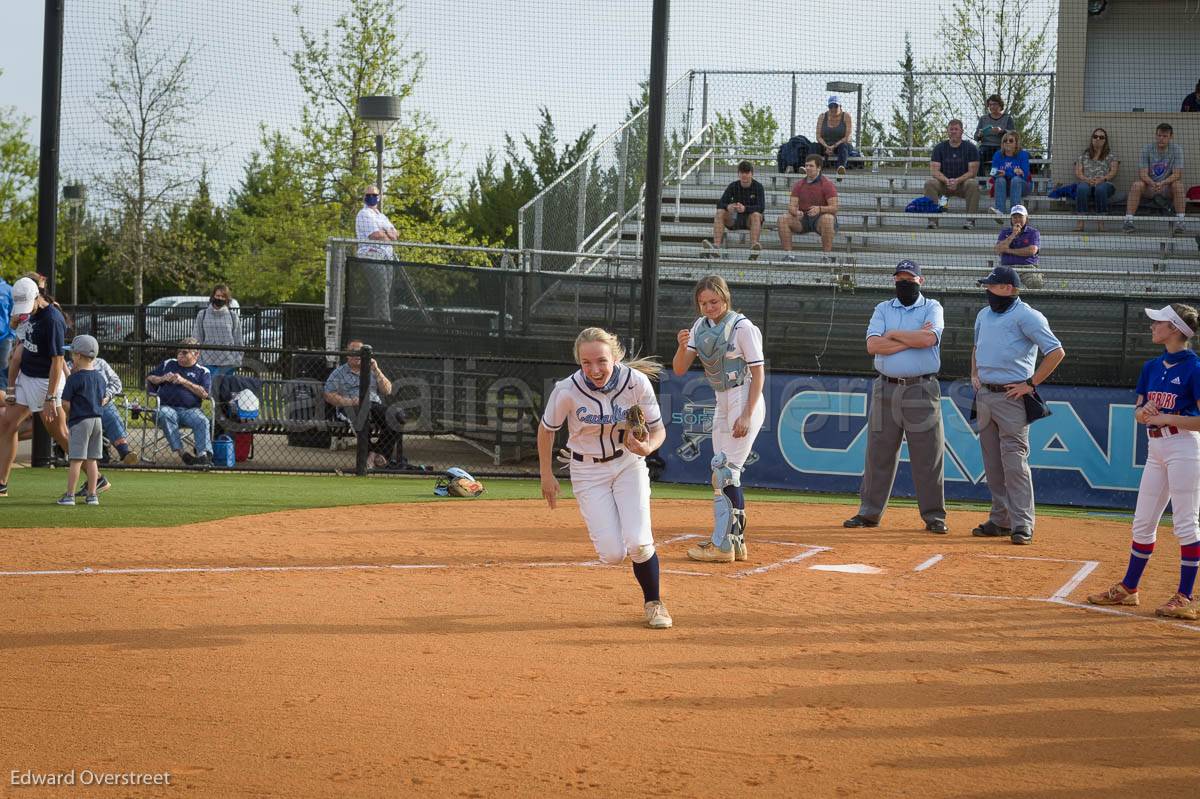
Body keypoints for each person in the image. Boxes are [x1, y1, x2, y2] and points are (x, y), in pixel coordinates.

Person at [538, 327, 672, 629]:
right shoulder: (567, 390)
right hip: (587, 471)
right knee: (612, 554)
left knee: (638, 542)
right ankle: (626, 546)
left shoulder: (635, 382)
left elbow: (659, 429)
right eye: (586, 362)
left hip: (628, 464)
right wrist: (546, 474)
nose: (594, 369)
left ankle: (654, 603)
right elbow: (546, 429)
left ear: (615, 356)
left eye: (601, 360)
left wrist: (648, 446)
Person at [1087, 305, 1200, 621]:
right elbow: (1138, 412)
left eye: (1159, 323)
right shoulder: (1152, 366)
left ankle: (1186, 596)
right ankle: (1129, 588)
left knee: (1186, 522)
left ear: (1175, 329)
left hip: (1184, 447)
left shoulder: (1194, 367)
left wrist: (1166, 416)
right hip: (1157, 447)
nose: (1152, 326)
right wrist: (1144, 413)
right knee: (1142, 522)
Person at [844, 260, 948, 534]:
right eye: (900, 278)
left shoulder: (932, 307)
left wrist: (893, 335)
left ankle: (934, 516)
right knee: (879, 452)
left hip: (922, 388)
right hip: (885, 387)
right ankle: (869, 513)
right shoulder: (882, 308)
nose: (904, 282)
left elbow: (929, 340)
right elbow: (872, 345)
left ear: (920, 281)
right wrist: (910, 337)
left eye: (909, 278)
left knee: (928, 454)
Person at [671, 275, 766, 562]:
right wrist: (681, 344)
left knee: (724, 470)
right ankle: (734, 543)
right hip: (721, 399)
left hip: (743, 395)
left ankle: (723, 545)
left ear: (725, 298)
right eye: (703, 303)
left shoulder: (742, 327)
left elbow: (759, 373)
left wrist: (747, 415)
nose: (709, 307)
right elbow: (678, 369)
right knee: (724, 472)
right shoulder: (700, 327)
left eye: (714, 301)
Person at [970, 266, 1066, 546]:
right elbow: (976, 347)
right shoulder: (983, 315)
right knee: (993, 464)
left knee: (1014, 463)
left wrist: (1031, 383)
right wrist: (974, 374)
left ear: (1008, 288)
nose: (988, 291)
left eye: (993, 286)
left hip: (1012, 397)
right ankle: (1000, 519)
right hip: (985, 395)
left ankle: (1022, 523)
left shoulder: (1028, 315)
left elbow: (1056, 352)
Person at [0, 277, 69, 498]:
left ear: (37, 297)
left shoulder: (53, 319)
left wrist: (50, 398)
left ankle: (96, 477)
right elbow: (18, 355)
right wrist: (11, 388)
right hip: (27, 377)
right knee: (6, 424)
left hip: (46, 381)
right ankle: (1, 483)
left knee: (58, 433)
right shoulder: (27, 315)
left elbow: (57, 361)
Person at [323, 340, 405, 469]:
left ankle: (376, 453)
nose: (357, 356)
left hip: (373, 404)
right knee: (361, 416)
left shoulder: (372, 369)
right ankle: (369, 458)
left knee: (397, 415)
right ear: (348, 355)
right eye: (353, 352)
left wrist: (376, 369)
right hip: (350, 406)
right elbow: (328, 394)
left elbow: (387, 390)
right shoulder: (339, 373)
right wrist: (349, 401)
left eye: (360, 353)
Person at [146, 338, 213, 466]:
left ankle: (203, 456)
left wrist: (184, 381)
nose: (180, 355)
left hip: (190, 410)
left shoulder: (203, 371)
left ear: (196, 354)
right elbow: (150, 377)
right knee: (165, 414)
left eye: (185, 352)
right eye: (179, 352)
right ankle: (183, 453)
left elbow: (204, 394)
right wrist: (162, 378)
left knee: (202, 420)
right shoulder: (169, 363)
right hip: (167, 407)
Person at [57, 335, 106, 506]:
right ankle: (92, 495)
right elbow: (101, 399)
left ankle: (69, 496)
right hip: (97, 421)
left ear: (78, 356)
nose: (71, 357)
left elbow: (64, 403)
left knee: (76, 460)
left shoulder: (74, 378)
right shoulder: (100, 378)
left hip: (80, 421)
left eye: (73, 354)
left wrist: (72, 414)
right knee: (92, 460)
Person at [1124, 123, 1188, 236]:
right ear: (1155, 135)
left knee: (1178, 185)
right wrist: (1152, 183)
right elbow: (1142, 174)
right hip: (1150, 186)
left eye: (1164, 136)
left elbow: (1177, 174)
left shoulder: (1177, 150)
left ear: (1171, 137)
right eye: (1159, 135)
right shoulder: (1147, 149)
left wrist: (1163, 182)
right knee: (1136, 185)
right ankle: (1128, 220)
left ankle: (1180, 222)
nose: (1161, 139)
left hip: (1167, 187)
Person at [778, 154, 839, 260]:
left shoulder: (827, 184)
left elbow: (834, 207)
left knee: (828, 219)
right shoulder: (799, 185)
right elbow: (791, 206)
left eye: (811, 166)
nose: (808, 168)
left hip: (821, 219)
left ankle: (826, 257)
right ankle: (789, 255)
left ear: (819, 168)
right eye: (806, 166)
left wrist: (819, 209)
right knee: (783, 218)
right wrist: (796, 212)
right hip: (803, 220)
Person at [924, 120, 981, 229]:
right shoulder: (939, 148)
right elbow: (934, 171)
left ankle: (970, 221)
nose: (954, 132)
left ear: (962, 131)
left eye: (956, 129)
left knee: (972, 183)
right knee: (929, 183)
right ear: (947, 131)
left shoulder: (971, 148)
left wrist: (957, 181)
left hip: (962, 185)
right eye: (951, 129)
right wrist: (947, 181)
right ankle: (933, 221)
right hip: (944, 184)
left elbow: (972, 172)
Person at [705, 161, 765, 260]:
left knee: (756, 215)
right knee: (720, 212)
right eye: (742, 173)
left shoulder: (758, 187)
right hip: (734, 219)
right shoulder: (733, 186)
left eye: (747, 173)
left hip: (750, 221)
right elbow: (720, 204)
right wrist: (728, 207)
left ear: (752, 174)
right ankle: (715, 247)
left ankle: (754, 249)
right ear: (738, 174)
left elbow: (761, 207)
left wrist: (745, 208)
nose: (744, 175)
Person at [355, 184, 398, 322]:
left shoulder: (382, 216)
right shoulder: (363, 214)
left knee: (386, 292)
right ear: (364, 197)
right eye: (368, 195)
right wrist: (387, 233)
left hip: (387, 257)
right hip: (371, 255)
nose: (371, 197)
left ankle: (382, 321)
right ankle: (384, 322)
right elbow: (375, 234)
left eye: (374, 195)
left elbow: (395, 234)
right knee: (381, 290)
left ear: (379, 197)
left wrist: (386, 233)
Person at [93, 355, 140, 467]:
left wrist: (107, 396)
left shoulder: (101, 363)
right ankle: (101, 454)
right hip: (79, 404)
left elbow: (116, 382)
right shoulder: (69, 366)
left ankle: (124, 452)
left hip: (103, 402)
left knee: (111, 416)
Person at [192, 283, 243, 377]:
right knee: (210, 389)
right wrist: (198, 358)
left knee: (225, 390)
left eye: (223, 296)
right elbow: (197, 337)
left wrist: (237, 359)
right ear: (213, 296)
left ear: (227, 299)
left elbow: (238, 339)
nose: (220, 298)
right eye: (217, 295)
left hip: (228, 362)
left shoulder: (233, 316)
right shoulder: (202, 315)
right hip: (207, 361)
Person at [1073, 128, 1119, 231]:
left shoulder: (1111, 156)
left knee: (1100, 189)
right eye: (1095, 136)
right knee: (1081, 189)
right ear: (1092, 139)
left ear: (1105, 140)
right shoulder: (1083, 156)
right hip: (1087, 182)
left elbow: (1113, 171)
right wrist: (1087, 179)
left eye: (1101, 137)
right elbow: (1078, 172)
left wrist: (1103, 179)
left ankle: (1101, 223)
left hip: (1105, 183)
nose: (1098, 139)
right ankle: (1080, 223)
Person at [993, 205, 1041, 287]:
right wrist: (1013, 235)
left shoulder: (1033, 232)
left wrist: (1008, 250)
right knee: (993, 285)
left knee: (1035, 283)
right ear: (1011, 219)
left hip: (1027, 268)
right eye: (1015, 217)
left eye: (1020, 217)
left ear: (1026, 218)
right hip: (1007, 268)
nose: (1017, 220)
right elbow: (998, 250)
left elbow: (1032, 251)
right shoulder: (1005, 232)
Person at [990, 131, 1030, 216]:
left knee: (1016, 180)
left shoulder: (1023, 154)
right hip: (1004, 187)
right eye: (1005, 140)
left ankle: (1015, 212)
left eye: (1011, 140)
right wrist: (1013, 172)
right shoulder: (997, 154)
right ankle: (1000, 211)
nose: (1007, 142)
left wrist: (1006, 173)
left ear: (1016, 144)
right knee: (1000, 179)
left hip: (1022, 186)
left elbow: (1024, 175)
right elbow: (993, 173)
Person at [816, 95, 853, 179]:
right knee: (814, 146)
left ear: (840, 106)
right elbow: (818, 136)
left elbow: (847, 137)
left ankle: (840, 170)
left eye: (835, 106)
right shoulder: (822, 117)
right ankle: (812, 169)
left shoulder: (846, 116)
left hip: (842, 144)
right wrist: (827, 146)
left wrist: (833, 146)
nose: (833, 109)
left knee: (843, 147)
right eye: (830, 106)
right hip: (826, 144)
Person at [974, 94, 1015, 167]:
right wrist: (979, 135)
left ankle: (1000, 177)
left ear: (1000, 105)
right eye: (990, 105)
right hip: (985, 146)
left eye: (995, 104)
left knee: (1001, 156)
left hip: (1002, 146)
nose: (992, 107)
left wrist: (1002, 131)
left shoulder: (1007, 118)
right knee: (977, 155)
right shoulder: (983, 118)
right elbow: (976, 137)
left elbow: (1013, 134)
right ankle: (982, 178)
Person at [0, 273, 13, 393]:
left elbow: (14, 314)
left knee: (3, 371)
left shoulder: (8, 289)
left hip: (4, 339)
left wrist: (11, 335)